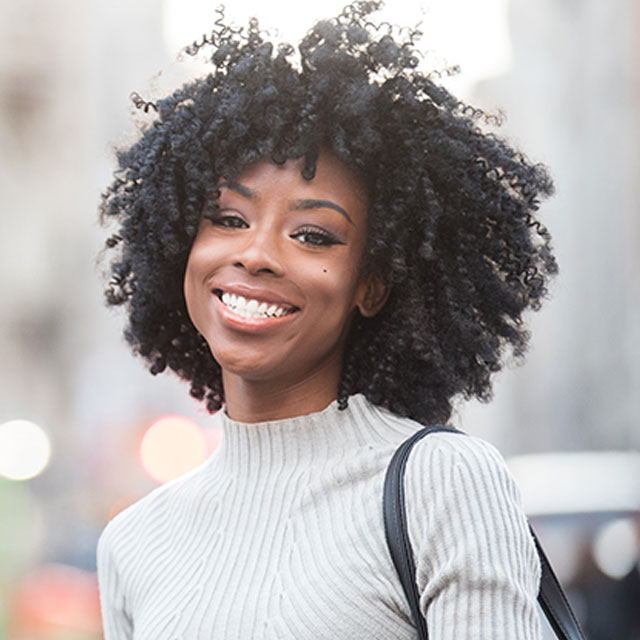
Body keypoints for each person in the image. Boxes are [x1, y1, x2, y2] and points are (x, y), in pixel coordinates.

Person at [96, 2, 557, 638]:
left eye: (313, 235)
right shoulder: (132, 543)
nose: (255, 254)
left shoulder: (440, 483)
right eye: (229, 219)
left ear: (370, 284)